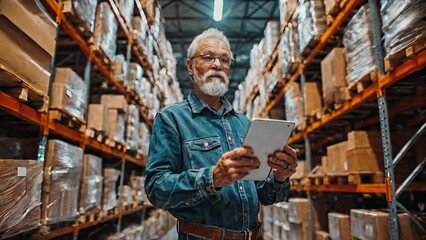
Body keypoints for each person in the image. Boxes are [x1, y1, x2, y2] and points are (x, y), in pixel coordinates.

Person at [145, 28, 298, 240]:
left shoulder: (244, 123)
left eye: (225, 60)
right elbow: (156, 189)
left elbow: (264, 194)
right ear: (190, 66)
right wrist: (212, 178)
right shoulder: (171, 119)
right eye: (208, 57)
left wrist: (279, 178)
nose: (217, 65)